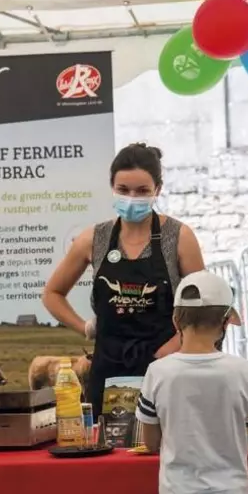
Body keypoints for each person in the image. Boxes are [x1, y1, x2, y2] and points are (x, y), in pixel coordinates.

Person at [43, 143, 205, 417]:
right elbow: (52, 293)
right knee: (110, 448)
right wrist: (85, 327)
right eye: (123, 190)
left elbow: (206, 304)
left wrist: (179, 342)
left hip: (167, 365)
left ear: (158, 190)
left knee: (163, 447)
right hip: (109, 368)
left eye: (142, 191)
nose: (132, 198)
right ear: (112, 188)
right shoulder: (94, 239)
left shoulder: (178, 237)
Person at [135, 269, 248, 494]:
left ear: (175, 320)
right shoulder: (243, 371)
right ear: (226, 322)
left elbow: (151, 443)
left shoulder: (156, 372)